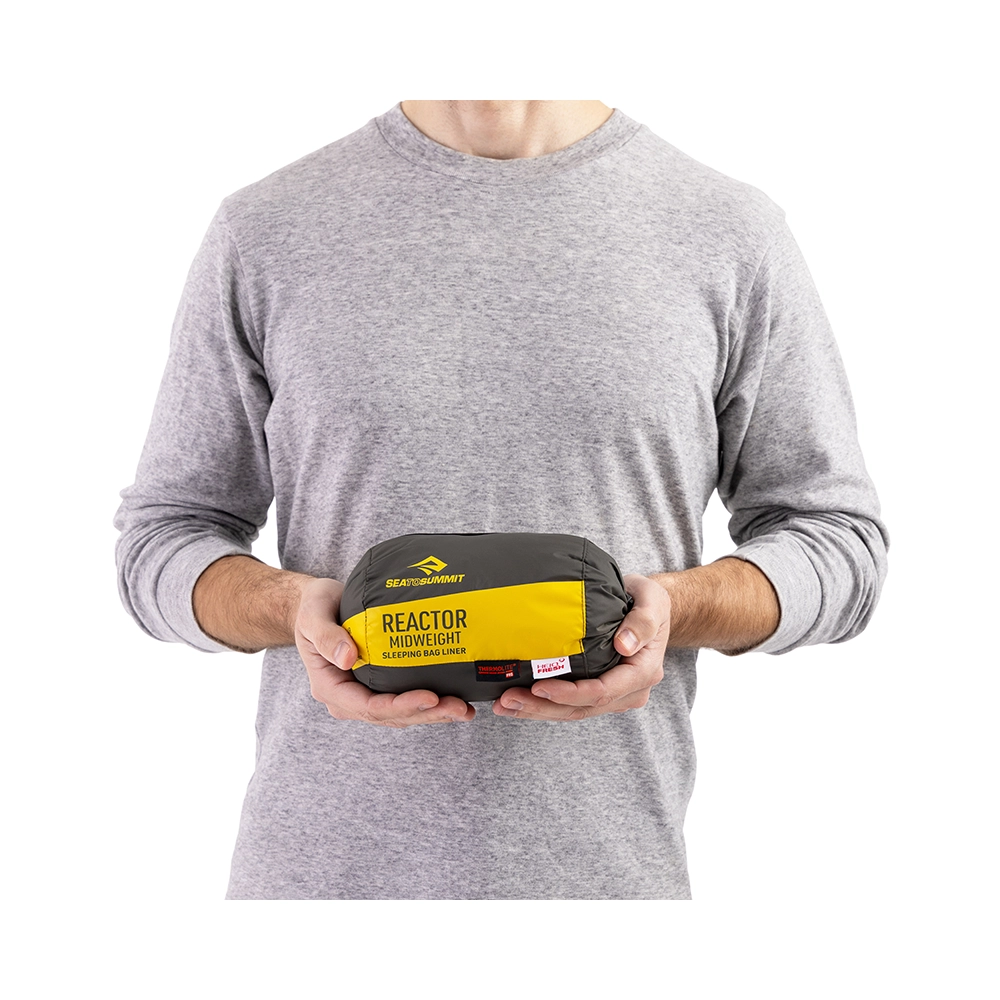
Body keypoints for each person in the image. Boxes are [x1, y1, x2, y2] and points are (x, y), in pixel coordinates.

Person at [114, 100, 888, 899]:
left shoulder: (729, 232)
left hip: (605, 886)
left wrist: (670, 611)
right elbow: (162, 539)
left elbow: (838, 541)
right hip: (314, 891)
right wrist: (290, 610)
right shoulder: (266, 229)